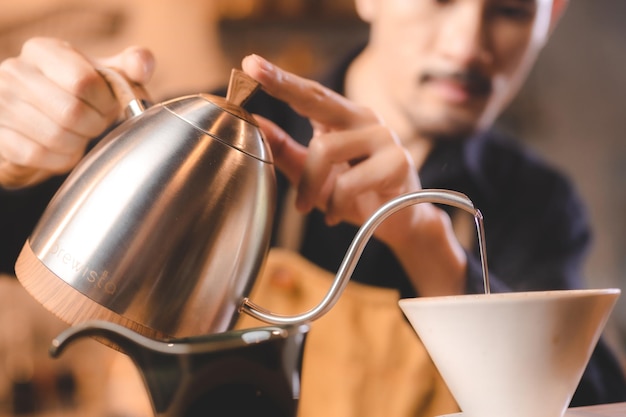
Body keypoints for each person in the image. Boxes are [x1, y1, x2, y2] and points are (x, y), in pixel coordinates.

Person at [0, 0, 624, 408]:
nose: (466, 45)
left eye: (511, 8)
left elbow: (583, 399)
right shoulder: (212, 144)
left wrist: (425, 239)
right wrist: (15, 153)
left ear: (553, 16)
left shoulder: (536, 205)